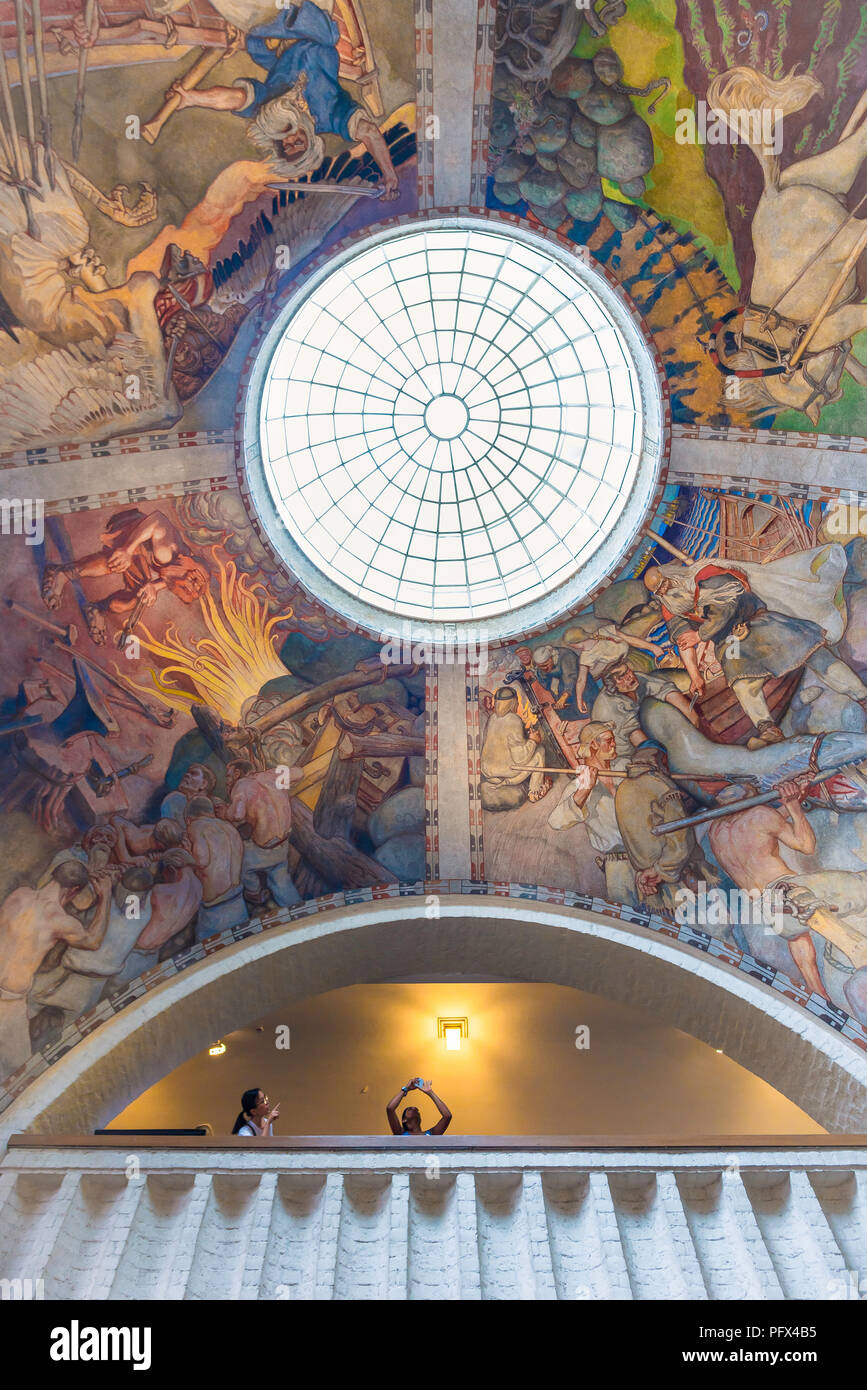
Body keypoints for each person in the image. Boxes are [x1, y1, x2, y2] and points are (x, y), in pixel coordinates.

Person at [165, 1, 399, 197]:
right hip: (311, 25)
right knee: (328, 34)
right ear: (311, 140)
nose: (290, 139)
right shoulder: (330, 115)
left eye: (285, 146)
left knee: (251, 25)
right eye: (298, 144)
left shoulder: (270, 109)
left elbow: (233, 99)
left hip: (272, 34)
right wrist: (389, 175)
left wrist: (191, 98)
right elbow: (368, 131)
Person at [480, 686, 550, 810]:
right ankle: (534, 792)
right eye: (516, 701)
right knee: (540, 751)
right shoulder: (514, 720)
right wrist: (533, 741)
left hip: (489, 773)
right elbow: (520, 759)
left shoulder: (492, 718)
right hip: (507, 773)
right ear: (512, 702)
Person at [386, 1079, 452, 1136]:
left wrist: (430, 1092)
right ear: (404, 1120)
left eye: (417, 1110)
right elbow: (390, 1109)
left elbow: (447, 1116)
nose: (415, 1108)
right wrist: (406, 1088)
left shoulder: (431, 1134)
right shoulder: (400, 1133)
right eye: (410, 1109)